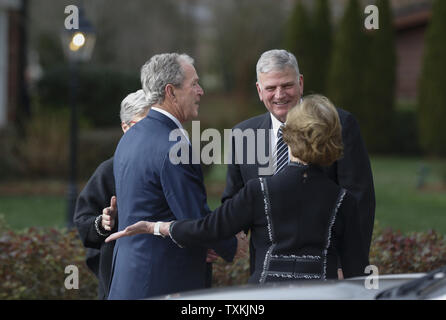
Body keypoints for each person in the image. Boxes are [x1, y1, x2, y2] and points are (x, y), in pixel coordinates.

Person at [106, 94, 369, 283]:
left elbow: (207, 228)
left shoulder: (259, 191)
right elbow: (356, 271)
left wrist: (155, 227)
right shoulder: (343, 201)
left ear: (289, 134)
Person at [222, 49, 375, 276]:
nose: (279, 95)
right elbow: (233, 201)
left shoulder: (340, 124)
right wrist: (229, 240)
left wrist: (347, 263)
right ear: (259, 90)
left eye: (287, 85)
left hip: (326, 272)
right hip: (267, 275)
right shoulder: (243, 134)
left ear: (300, 83)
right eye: (271, 88)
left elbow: (359, 199)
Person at [107, 53, 238, 300]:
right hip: (163, 283)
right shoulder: (173, 145)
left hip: (128, 278)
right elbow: (193, 217)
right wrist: (231, 244)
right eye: (194, 84)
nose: (200, 91)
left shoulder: (130, 136)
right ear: (171, 92)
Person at [73, 89, 150, 299]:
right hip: (120, 278)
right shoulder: (109, 171)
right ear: (126, 128)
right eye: (144, 125)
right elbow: (83, 221)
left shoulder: (170, 166)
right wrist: (103, 222)